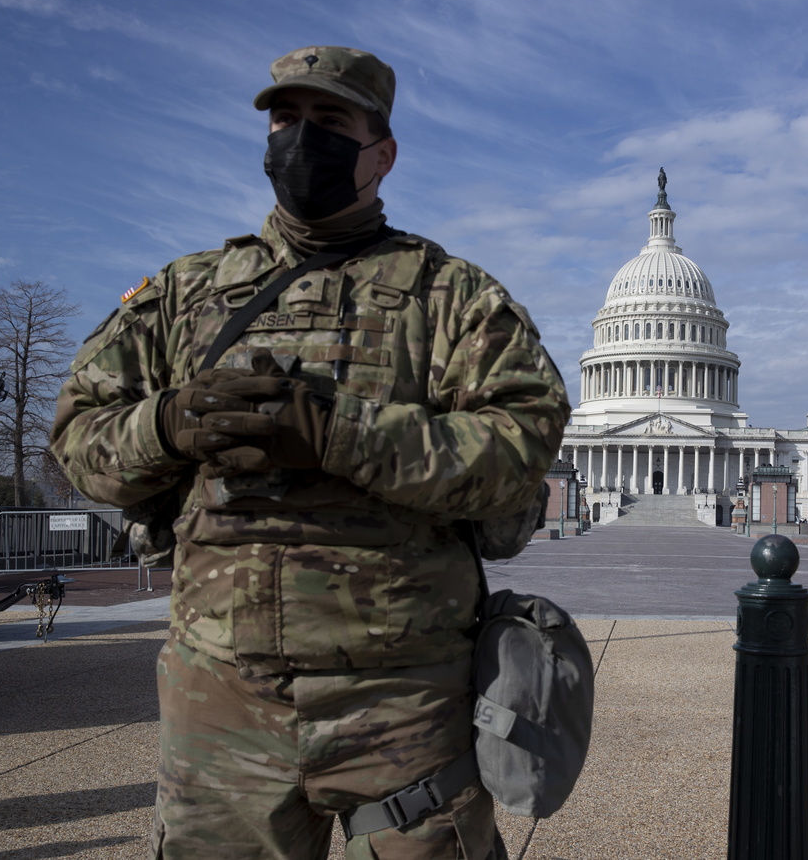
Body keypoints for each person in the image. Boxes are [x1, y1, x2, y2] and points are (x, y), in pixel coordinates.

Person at [51, 46, 569, 860]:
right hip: (220, 694)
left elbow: (521, 448)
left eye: (330, 121)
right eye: (285, 120)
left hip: (401, 696)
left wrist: (342, 433)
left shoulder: (453, 297)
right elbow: (78, 439)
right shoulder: (185, 293)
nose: (300, 140)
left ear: (382, 152)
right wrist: (169, 426)